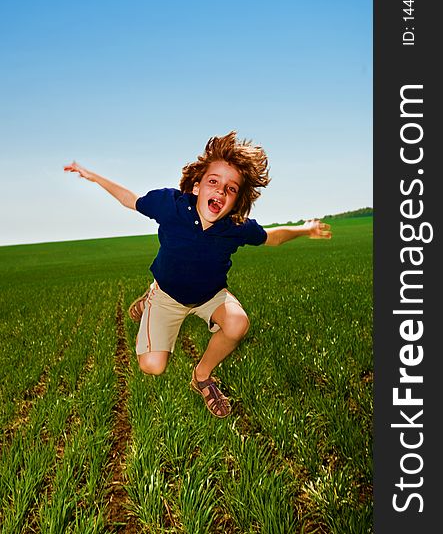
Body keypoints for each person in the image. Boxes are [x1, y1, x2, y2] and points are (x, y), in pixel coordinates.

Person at [64, 131, 331, 418]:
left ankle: (202, 377)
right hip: (168, 295)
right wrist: (94, 177)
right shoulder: (170, 206)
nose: (220, 191)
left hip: (210, 296)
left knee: (238, 323)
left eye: (230, 189)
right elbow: (131, 199)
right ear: (196, 186)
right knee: (152, 366)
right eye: (213, 182)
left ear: (237, 200)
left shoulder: (235, 227)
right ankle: (149, 299)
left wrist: (306, 229)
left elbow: (273, 237)